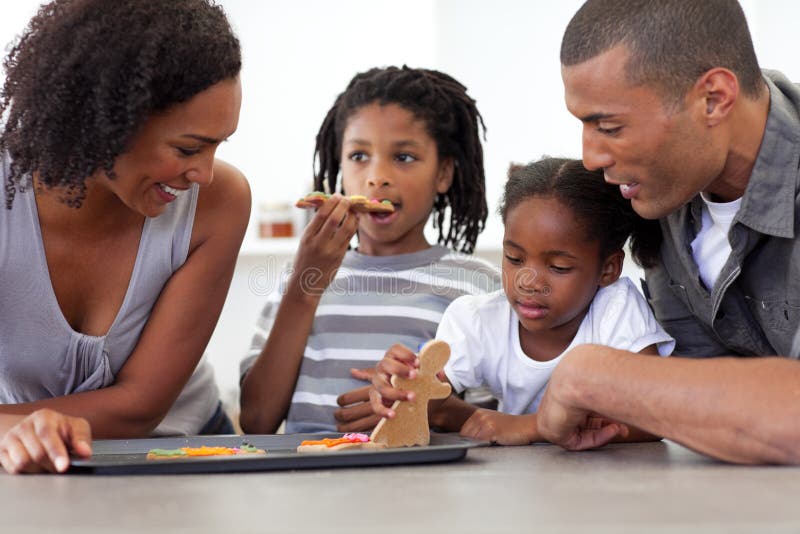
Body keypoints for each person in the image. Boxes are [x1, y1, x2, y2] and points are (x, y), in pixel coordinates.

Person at [535, 0, 800, 463]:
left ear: (713, 98)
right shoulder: (667, 195)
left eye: (610, 127)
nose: (591, 157)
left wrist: (591, 375)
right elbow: (700, 403)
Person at [0, 0, 249, 474]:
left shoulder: (219, 205)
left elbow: (139, 407)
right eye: (189, 148)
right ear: (103, 118)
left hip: (188, 452)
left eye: (219, 145)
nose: (205, 173)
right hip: (30, 463)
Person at [239, 66, 502, 434]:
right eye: (359, 156)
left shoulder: (478, 286)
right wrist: (305, 285)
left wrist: (418, 407)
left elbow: (494, 417)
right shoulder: (299, 277)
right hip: (307, 486)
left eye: (404, 157)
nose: (377, 176)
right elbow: (256, 420)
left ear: (443, 173)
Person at [370, 158, 674, 444]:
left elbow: (654, 415)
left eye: (558, 267)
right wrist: (402, 383)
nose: (527, 281)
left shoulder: (616, 309)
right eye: (514, 258)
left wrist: (534, 427)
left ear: (607, 269)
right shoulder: (478, 320)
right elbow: (430, 401)